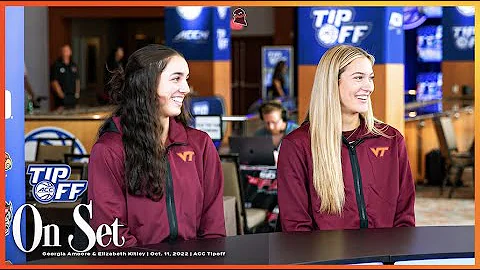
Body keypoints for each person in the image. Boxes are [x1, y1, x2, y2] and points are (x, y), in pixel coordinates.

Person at [88, 44, 226, 250]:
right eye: (176, 78)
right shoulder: (109, 150)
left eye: (186, 78)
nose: (186, 89)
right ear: (147, 83)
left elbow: (213, 225)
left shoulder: (200, 145)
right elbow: (111, 235)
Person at [277, 45, 415, 232]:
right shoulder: (297, 145)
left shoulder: (391, 139)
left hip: (384, 257)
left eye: (370, 78)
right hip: (327, 259)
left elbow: (404, 216)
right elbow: (296, 226)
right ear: (332, 83)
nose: (369, 87)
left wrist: (394, 258)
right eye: (359, 77)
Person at [50, 44, 80, 111]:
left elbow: (77, 80)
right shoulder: (56, 65)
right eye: (64, 51)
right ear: (61, 52)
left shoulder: (73, 65)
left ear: (70, 52)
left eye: (67, 50)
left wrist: (77, 93)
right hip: (61, 98)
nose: (66, 52)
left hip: (73, 96)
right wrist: (61, 95)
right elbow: (54, 81)